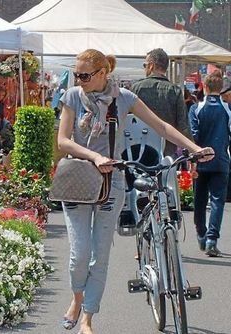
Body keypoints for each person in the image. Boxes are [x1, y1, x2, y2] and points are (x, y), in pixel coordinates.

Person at [57, 49, 213, 334]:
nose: (79, 80)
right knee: (79, 254)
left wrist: (194, 149)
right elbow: (63, 142)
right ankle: (77, 297)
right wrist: (94, 157)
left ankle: (87, 318)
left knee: (99, 255)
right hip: (78, 182)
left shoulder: (124, 98)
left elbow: (162, 126)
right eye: (76, 74)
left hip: (111, 183)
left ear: (103, 73)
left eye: (84, 75)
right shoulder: (71, 97)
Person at [188, 70, 230, 257]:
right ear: (221, 89)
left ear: (204, 87)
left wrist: (193, 160)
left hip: (201, 160)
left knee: (199, 200)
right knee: (217, 200)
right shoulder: (228, 109)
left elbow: (193, 135)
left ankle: (201, 234)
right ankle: (213, 238)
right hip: (221, 159)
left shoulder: (196, 108)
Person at [130, 48, 191, 158]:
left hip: (138, 149)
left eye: (145, 65)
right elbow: (183, 126)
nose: (145, 69)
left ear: (151, 66)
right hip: (167, 152)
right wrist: (191, 151)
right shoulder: (175, 90)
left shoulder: (136, 88)